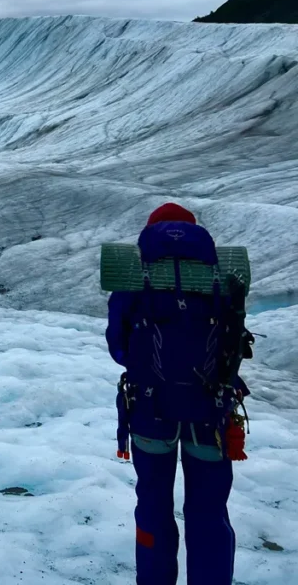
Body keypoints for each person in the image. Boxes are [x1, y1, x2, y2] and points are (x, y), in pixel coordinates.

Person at [107, 203, 252, 585]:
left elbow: (118, 346)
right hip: (211, 415)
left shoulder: (134, 274)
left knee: (153, 507)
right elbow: (233, 343)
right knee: (209, 513)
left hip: (150, 411)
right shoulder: (222, 275)